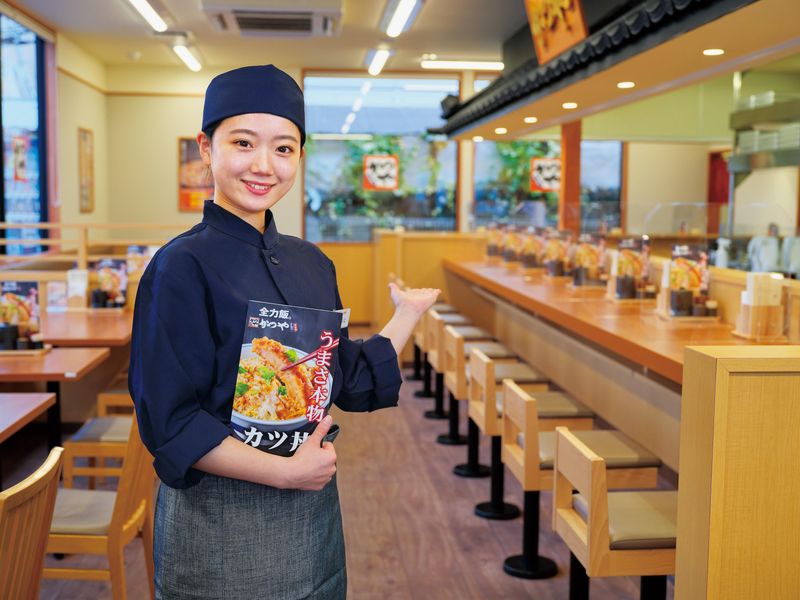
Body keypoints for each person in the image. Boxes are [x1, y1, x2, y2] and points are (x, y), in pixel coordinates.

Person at [129, 64, 440, 599]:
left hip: (312, 517)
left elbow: (348, 381)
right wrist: (284, 473)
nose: (263, 165)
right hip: (219, 521)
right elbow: (170, 422)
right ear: (206, 148)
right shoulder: (181, 265)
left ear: (299, 156)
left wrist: (407, 313)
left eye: (283, 148)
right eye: (243, 142)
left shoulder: (311, 263)